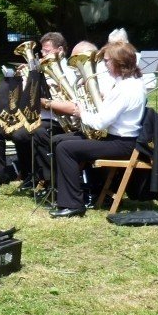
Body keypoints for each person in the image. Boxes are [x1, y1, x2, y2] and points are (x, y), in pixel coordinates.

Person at [43, 41, 147, 218]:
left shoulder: (126, 88)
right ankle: (65, 192)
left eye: (107, 61)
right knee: (59, 140)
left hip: (122, 143)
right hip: (117, 138)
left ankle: (74, 204)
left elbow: (100, 123)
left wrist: (80, 111)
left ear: (118, 62)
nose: (104, 65)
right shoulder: (126, 83)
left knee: (65, 148)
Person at [0, 32, 68, 189]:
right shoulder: (38, 69)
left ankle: (31, 174)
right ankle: (1, 171)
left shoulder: (67, 70)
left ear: (60, 50)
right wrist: (21, 80)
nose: (42, 54)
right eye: (42, 51)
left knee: (21, 134)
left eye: (47, 51)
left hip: (51, 118)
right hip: (30, 116)